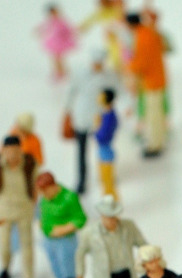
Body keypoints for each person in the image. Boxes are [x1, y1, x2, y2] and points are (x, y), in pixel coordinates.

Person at [0, 135, 38, 278]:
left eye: (15, 151)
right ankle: (5, 268)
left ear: (20, 150)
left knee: (27, 244)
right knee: (4, 243)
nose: (12, 155)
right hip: (4, 210)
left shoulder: (29, 163)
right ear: (3, 150)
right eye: (8, 151)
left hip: (24, 209)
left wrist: (33, 202)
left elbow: (36, 184)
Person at [64, 49, 118, 194]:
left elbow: (117, 92)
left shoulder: (109, 76)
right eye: (95, 63)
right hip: (82, 116)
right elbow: (71, 91)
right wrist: (67, 111)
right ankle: (82, 180)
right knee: (81, 151)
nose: (97, 66)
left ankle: (107, 175)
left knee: (103, 148)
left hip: (99, 117)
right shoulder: (80, 74)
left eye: (100, 63)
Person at [37, 172, 86, 278]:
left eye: (45, 191)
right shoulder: (44, 199)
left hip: (65, 242)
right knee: (58, 273)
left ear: (53, 186)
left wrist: (64, 229)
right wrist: (44, 227)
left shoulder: (69, 197)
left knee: (69, 275)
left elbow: (80, 219)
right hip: (49, 242)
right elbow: (42, 216)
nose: (44, 195)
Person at [125, 12, 167, 157]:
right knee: (157, 113)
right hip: (157, 78)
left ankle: (155, 145)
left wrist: (130, 67)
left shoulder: (143, 37)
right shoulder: (148, 32)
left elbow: (142, 61)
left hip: (151, 81)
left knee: (153, 115)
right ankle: (158, 140)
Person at [34, 4, 77, 81]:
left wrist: (68, 34)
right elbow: (44, 27)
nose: (54, 14)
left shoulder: (61, 21)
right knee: (55, 58)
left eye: (55, 12)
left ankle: (62, 71)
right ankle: (58, 71)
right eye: (52, 12)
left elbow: (68, 29)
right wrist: (39, 30)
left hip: (60, 41)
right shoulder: (50, 21)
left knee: (59, 58)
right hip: (54, 42)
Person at [93, 88, 119, 197]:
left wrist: (96, 127)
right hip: (103, 151)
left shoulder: (109, 117)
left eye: (101, 96)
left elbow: (102, 136)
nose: (98, 98)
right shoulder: (106, 114)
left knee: (108, 180)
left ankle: (112, 200)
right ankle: (108, 198)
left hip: (106, 152)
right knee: (104, 179)